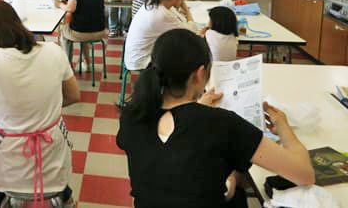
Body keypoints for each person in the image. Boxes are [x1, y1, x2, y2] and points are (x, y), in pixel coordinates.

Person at [117, 29, 315, 208]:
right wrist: (284, 129)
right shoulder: (223, 123)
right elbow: (305, 175)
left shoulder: (132, 115)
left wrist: (197, 107)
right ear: (200, 73)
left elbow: (171, 156)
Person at [0, 0, 80, 207]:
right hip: (54, 161)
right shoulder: (53, 51)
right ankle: (65, 200)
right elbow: (73, 95)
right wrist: (40, 107)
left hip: (8, 166)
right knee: (56, 179)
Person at [124, 0, 196, 82]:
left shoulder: (155, 3)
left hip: (136, 55)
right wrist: (186, 10)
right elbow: (192, 32)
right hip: (142, 62)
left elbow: (180, 20)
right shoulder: (161, 13)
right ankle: (169, 95)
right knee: (185, 58)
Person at [55, 0, 106, 71]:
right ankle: (87, 63)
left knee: (63, 32)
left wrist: (59, 4)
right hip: (100, 31)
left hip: (81, 32)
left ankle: (68, 67)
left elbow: (71, 8)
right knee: (83, 27)